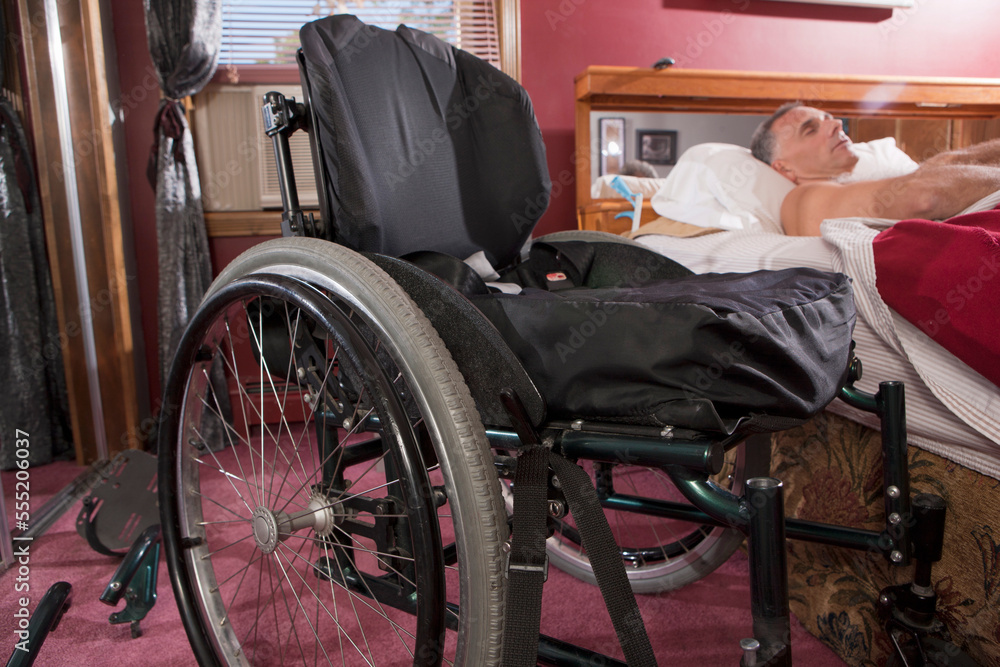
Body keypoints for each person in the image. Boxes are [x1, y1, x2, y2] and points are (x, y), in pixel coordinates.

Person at [750, 102, 1000, 236]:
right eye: (811, 129)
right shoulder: (801, 199)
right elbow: (925, 197)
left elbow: (935, 176)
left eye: (829, 117)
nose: (837, 124)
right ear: (784, 168)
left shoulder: (847, 189)